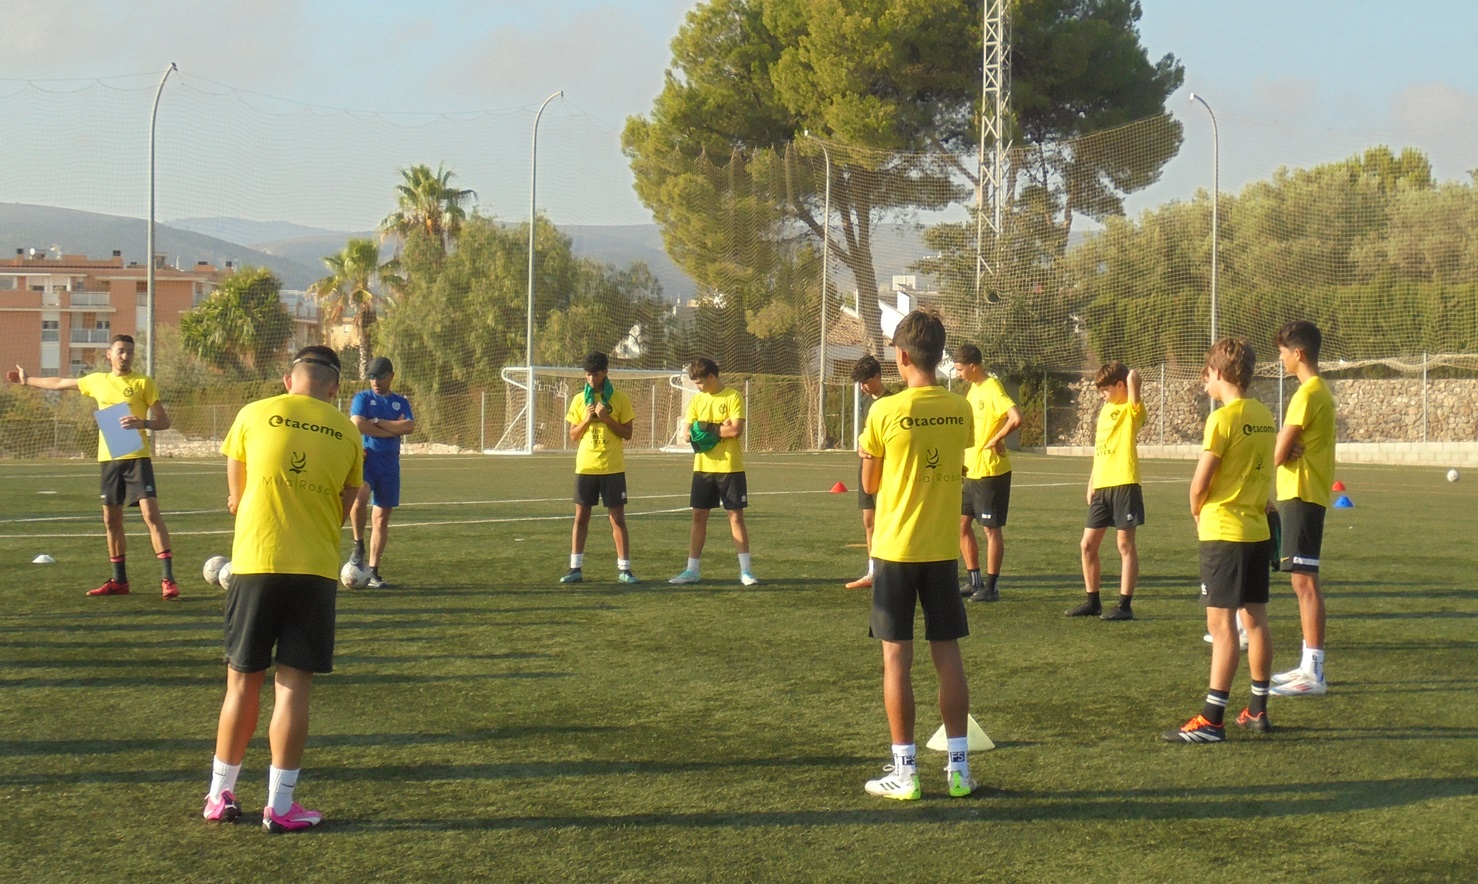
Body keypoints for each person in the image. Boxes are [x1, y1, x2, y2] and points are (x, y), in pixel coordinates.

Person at [204, 345, 362, 832]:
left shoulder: (253, 414)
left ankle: (220, 795)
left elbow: (235, 499)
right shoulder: (348, 433)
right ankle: (281, 805)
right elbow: (347, 502)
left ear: (288, 379)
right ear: (334, 388)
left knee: (241, 682)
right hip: (313, 569)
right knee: (292, 689)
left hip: (256, 562)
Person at [858, 308, 977, 799]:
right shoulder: (961, 408)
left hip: (894, 550)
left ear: (902, 356)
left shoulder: (883, 411)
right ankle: (959, 770)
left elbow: (869, 483)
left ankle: (905, 773)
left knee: (895, 660)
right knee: (948, 656)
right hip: (941, 551)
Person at [1162, 338, 1277, 743]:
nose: (1204, 381)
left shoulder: (1222, 419)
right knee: (1256, 619)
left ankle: (1212, 720)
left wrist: (1196, 511)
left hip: (1223, 530)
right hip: (1256, 530)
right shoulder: (1265, 415)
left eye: (1206, 373)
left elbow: (1200, 483)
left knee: (1222, 624)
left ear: (1220, 373)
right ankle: (1258, 709)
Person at [7, 335, 180, 600]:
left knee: (151, 515)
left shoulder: (143, 383)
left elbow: (164, 421)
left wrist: (142, 424)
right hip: (109, 460)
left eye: (130, 352)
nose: (126, 356)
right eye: (121, 351)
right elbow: (59, 383)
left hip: (137, 459)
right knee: (111, 520)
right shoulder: (97, 381)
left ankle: (168, 579)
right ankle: (119, 581)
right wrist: (27, 380)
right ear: (108, 354)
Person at [1270, 320, 1336, 697]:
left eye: (1283, 352)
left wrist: (1281, 444)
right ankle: (1308, 664)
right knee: (1301, 580)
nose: (1280, 359)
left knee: (1305, 582)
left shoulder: (1307, 393)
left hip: (1302, 493)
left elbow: (1279, 452)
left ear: (1299, 353)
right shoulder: (1318, 391)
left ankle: (1314, 672)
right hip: (1304, 492)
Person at [669, 358, 758, 586]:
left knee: (736, 517)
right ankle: (692, 570)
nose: (697, 387)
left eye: (699, 382)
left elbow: (735, 431)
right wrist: (718, 428)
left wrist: (705, 426)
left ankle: (746, 572)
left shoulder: (733, 396)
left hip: (730, 467)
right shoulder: (697, 401)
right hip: (703, 468)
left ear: (711, 377)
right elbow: (687, 434)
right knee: (698, 517)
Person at [1066, 361, 1145, 621]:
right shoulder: (1105, 411)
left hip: (1124, 483)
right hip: (1102, 485)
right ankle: (1093, 602)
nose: (1102, 395)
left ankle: (1125, 605)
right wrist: (1091, 481)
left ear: (1120, 386)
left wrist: (1133, 382)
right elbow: (1100, 450)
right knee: (1087, 544)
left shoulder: (1131, 409)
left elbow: (1135, 391)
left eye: (1106, 390)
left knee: (1124, 545)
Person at [561, 352, 639, 585]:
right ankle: (575, 568)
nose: (591, 380)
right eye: (587, 375)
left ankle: (624, 569)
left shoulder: (620, 399)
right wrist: (586, 419)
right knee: (581, 518)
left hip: (612, 467)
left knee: (617, 519)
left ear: (605, 372)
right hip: (586, 467)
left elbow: (628, 434)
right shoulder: (578, 400)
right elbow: (573, 436)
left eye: (595, 375)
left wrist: (606, 418)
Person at [952, 344, 1022, 602]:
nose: (958, 374)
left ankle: (991, 587)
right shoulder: (973, 389)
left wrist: (997, 439)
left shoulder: (993, 388)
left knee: (991, 530)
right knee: (960, 525)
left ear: (973, 366)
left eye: (960, 369)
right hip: (972, 470)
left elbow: (1015, 417)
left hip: (991, 472)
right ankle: (974, 581)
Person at [348, 356, 415, 589]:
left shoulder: (400, 402)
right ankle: (358, 544)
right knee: (360, 496)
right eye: (372, 377)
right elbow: (358, 424)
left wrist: (377, 422)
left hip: (389, 465)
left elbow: (409, 426)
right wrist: (391, 428)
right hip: (366, 460)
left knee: (381, 518)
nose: (375, 381)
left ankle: (374, 572)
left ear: (391, 376)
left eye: (380, 376)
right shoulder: (362, 398)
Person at [845, 354, 890, 590]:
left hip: (888, 468)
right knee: (868, 519)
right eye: (860, 382)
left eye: (866, 381)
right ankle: (872, 571)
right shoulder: (864, 402)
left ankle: (890, 570)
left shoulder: (893, 401)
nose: (863, 386)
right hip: (866, 466)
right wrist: (862, 448)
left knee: (888, 519)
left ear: (878, 376)